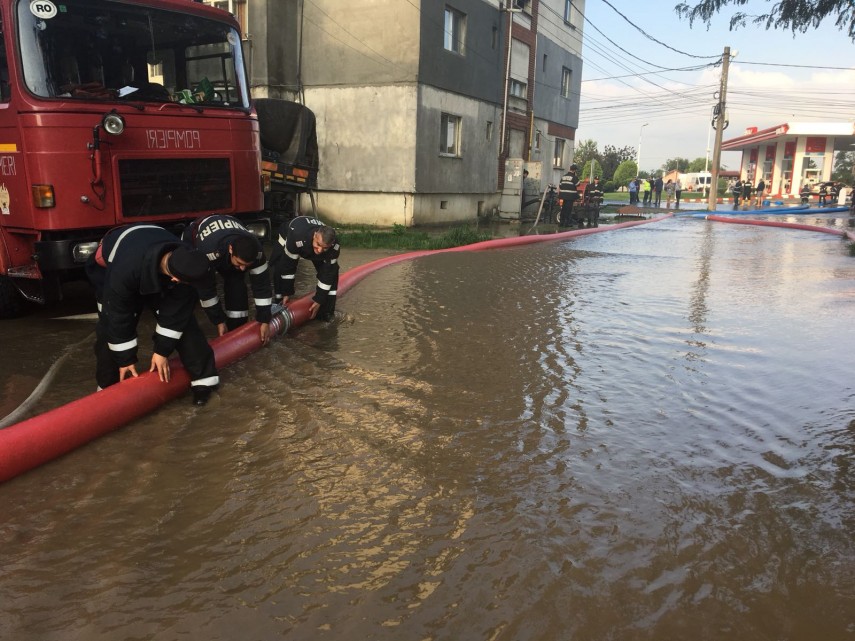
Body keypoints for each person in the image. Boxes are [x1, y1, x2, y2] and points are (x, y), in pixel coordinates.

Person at [85, 224, 219, 406]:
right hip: (113, 270)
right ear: (175, 279)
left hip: (151, 257)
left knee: (185, 323)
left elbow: (176, 315)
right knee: (108, 330)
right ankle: (106, 391)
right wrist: (125, 359)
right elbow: (117, 315)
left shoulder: (189, 260)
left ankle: (204, 382)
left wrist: (161, 351)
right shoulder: (123, 273)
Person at [182, 214, 273, 346]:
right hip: (194, 238)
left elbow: (262, 286)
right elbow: (207, 291)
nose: (243, 269)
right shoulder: (208, 251)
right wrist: (218, 321)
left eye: (246, 266)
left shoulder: (257, 252)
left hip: (229, 233)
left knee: (237, 287)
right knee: (189, 288)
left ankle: (236, 330)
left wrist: (265, 319)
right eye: (240, 263)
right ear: (231, 249)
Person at [270, 216, 340, 321]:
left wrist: (319, 300)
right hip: (289, 234)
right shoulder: (296, 235)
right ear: (315, 235)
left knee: (332, 274)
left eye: (325, 247)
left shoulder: (334, 246)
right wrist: (287, 292)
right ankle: (279, 301)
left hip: (308, 242)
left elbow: (328, 274)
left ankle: (326, 314)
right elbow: (289, 266)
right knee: (280, 266)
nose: (320, 250)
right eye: (318, 245)